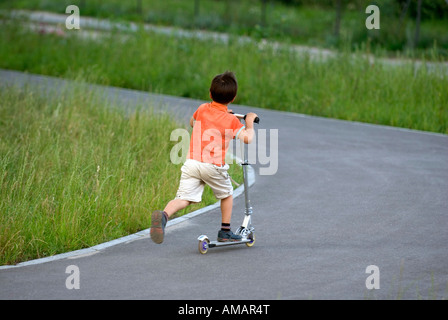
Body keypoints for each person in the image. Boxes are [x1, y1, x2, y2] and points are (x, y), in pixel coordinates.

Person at [150, 71, 257, 244]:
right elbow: (247, 138)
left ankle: (163, 216)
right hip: (212, 165)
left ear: (210, 93)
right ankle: (225, 231)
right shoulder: (231, 120)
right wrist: (249, 122)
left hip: (192, 162)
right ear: (234, 98)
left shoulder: (202, 109)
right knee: (227, 194)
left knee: (184, 198)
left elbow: (192, 123)